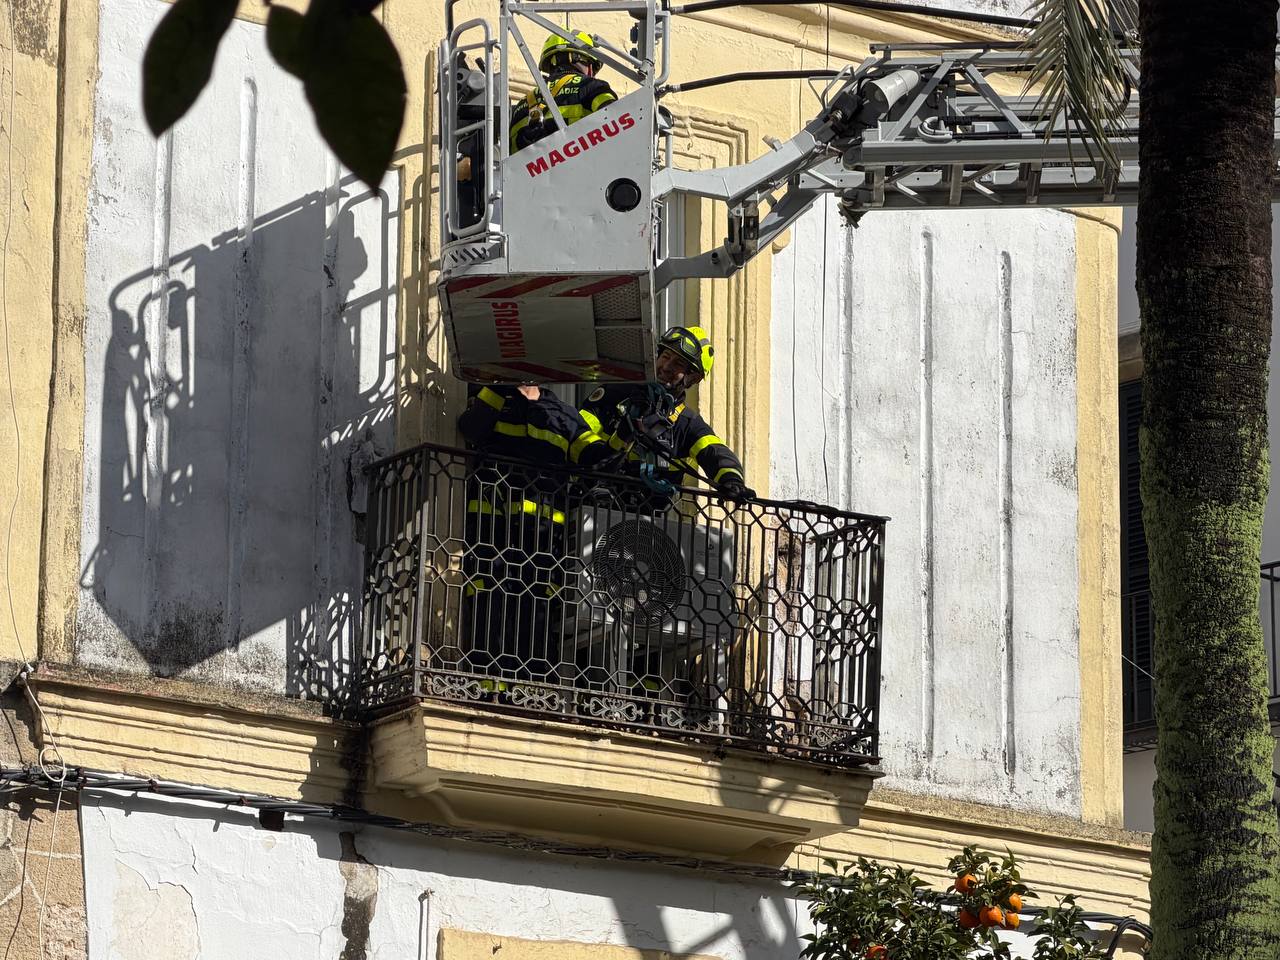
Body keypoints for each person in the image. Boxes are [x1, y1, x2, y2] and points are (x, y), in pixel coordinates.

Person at [533, 326, 755, 502]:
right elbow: (577, 434)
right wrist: (622, 433)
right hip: (593, 508)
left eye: (678, 364)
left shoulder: (687, 424)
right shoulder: (615, 393)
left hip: (651, 531)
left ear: (693, 378)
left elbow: (715, 452)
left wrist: (731, 481)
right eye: (665, 356)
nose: (666, 366)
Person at [455, 385, 583, 683]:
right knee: (489, 601)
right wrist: (500, 382)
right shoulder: (493, 397)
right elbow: (471, 428)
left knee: (537, 607)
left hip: (541, 539)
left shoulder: (564, 414)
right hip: (491, 530)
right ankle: (485, 683)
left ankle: (532, 688)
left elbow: (594, 456)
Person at [509, 31, 618, 153]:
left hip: (523, 171)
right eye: (591, 65)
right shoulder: (592, 87)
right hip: (584, 167)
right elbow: (617, 120)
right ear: (579, 59)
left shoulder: (521, 104)